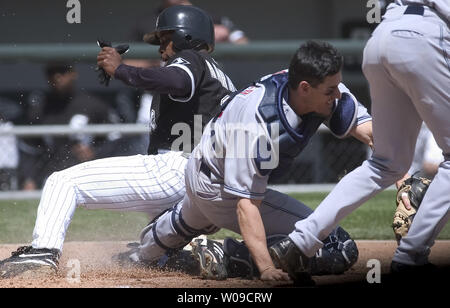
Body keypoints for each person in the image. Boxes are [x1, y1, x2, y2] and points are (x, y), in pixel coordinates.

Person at [0, 5, 236, 279]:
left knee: (62, 183)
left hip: (177, 168)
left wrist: (121, 69)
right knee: (140, 252)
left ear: (186, 37)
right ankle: (195, 248)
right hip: (209, 181)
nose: (160, 49)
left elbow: (174, 79)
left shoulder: (190, 60)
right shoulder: (221, 76)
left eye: (165, 40)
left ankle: (43, 254)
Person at [120, 40, 373, 282]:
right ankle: (231, 258)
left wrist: (401, 174)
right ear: (305, 87)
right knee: (338, 247)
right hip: (219, 189)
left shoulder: (313, 82)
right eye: (331, 90)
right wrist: (266, 268)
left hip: (203, 171)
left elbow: (368, 131)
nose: (337, 94)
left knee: (180, 227)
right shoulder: (260, 122)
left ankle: (141, 253)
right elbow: (246, 204)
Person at [270, 1, 449, 283]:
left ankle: (301, 242)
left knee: (385, 163)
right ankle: (411, 257)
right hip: (427, 36)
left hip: (381, 39)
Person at [20, 62, 120, 190]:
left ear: (73, 73)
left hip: (86, 173)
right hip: (50, 174)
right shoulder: (40, 108)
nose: (57, 76)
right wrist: (30, 178)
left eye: (62, 71)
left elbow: (117, 138)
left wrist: (96, 152)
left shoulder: (92, 104)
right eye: (51, 73)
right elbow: (31, 149)